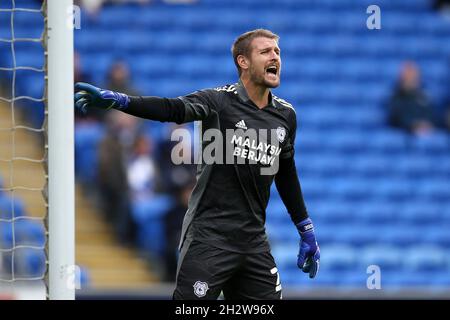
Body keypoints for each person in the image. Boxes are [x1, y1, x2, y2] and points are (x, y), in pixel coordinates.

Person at [74, 29, 320, 300]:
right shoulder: (217, 102)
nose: (275, 56)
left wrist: (305, 228)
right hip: (209, 238)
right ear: (243, 61)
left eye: (277, 52)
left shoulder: (285, 116)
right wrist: (120, 100)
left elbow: (285, 172)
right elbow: (171, 109)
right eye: (266, 51)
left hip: (254, 243)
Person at [387, 61, 436, 136]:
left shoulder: (425, 95)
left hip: (426, 131)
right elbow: (395, 118)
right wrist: (413, 125)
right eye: (408, 75)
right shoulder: (395, 97)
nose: (411, 78)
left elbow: (431, 113)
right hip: (406, 134)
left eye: (413, 74)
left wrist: (427, 124)